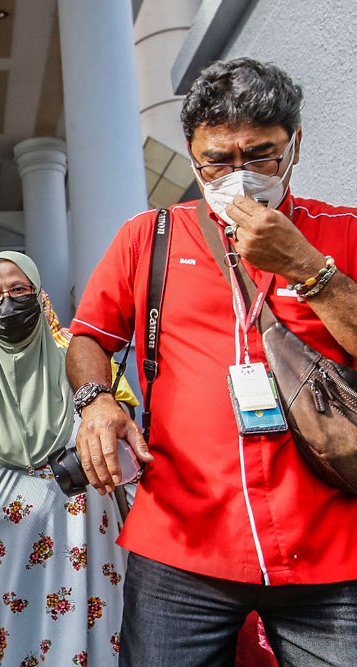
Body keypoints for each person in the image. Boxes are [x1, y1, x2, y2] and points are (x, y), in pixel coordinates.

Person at [66, 58, 357, 665]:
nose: (239, 177)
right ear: (193, 155)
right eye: (217, 161)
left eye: (260, 156)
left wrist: (308, 267)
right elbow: (90, 335)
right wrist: (96, 402)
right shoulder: (148, 238)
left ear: (295, 145)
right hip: (183, 546)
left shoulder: (344, 232)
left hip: (333, 544)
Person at [0, 252, 136, 666]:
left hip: (87, 548)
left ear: (39, 294)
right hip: (0, 564)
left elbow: (126, 444)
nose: (8, 302)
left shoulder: (82, 362)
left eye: (20, 290)